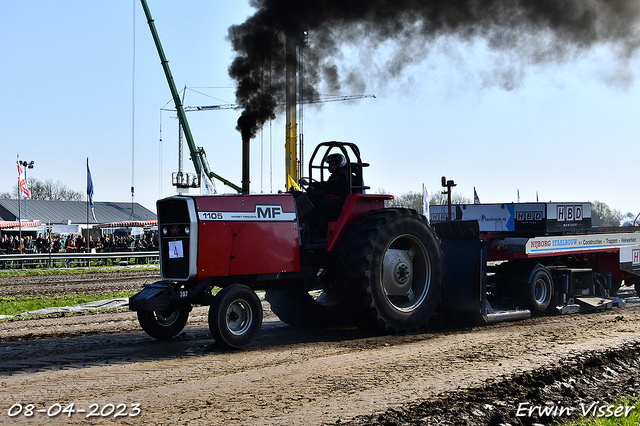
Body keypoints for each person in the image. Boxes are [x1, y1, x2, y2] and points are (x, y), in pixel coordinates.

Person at [299, 153, 351, 242]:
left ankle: (320, 236)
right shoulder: (335, 176)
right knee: (311, 203)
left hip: (341, 201)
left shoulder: (343, 176)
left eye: (333, 164)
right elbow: (326, 189)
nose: (331, 166)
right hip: (331, 199)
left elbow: (329, 186)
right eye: (330, 164)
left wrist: (311, 184)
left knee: (319, 207)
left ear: (340, 164)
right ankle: (306, 232)